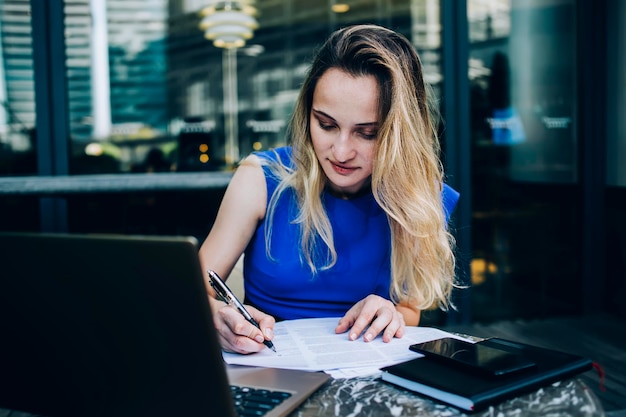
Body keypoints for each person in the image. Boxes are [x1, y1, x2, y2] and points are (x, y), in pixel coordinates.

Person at [199, 24, 458, 354]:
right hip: (267, 362)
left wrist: (391, 314)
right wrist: (223, 316)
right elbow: (193, 287)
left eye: (367, 133)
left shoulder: (418, 194)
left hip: (367, 371)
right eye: (326, 124)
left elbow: (410, 310)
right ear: (307, 114)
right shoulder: (261, 179)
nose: (340, 151)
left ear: (398, 133)